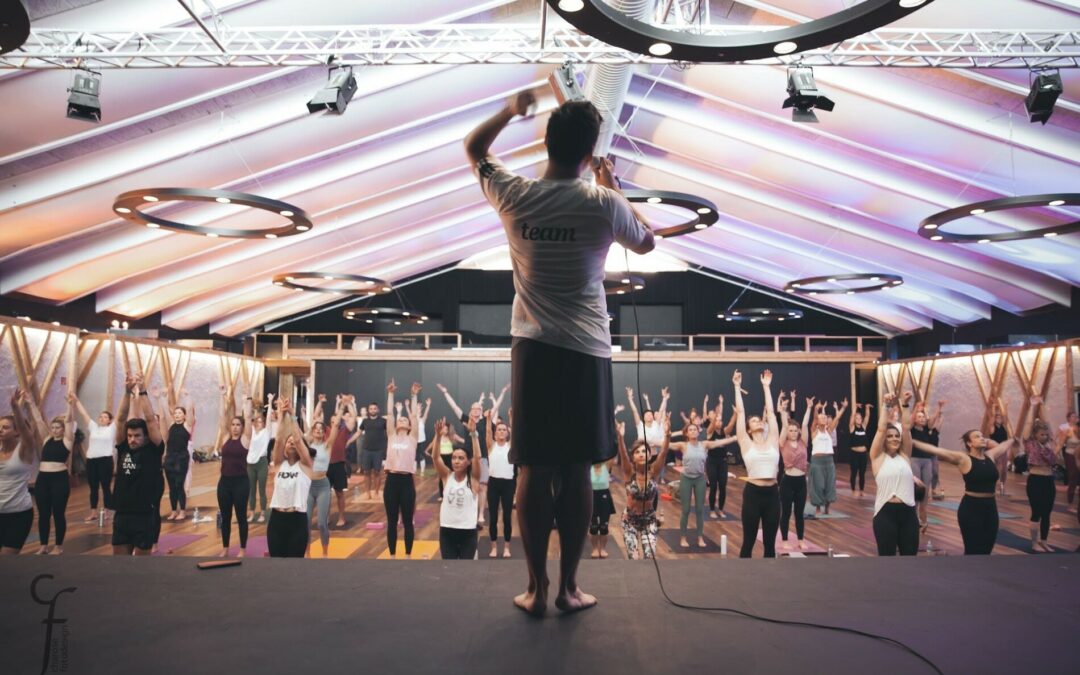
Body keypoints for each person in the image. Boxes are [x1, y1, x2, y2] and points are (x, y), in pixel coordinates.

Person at [467, 87, 654, 616]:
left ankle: (536, 588)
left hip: (532, 348)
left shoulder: (514, 194)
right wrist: (612, 183)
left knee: (530, 467)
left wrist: (507, 110)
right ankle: (571, 589)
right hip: (588, 351)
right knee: (574, 471)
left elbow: (474, 149)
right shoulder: (603, 202)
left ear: (546, 142)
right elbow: (648, 243)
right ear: (589, 152)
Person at [911, 430, 1017, 554]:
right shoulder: (964, 459)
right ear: (969, 443)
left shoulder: (990, 455)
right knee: (972, 550)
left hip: (991, 508)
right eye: (977, 437)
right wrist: (913, 442)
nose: (982, 438)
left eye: (982, 436)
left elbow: (1004, 446)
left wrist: (1014, 439)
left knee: (987, 550)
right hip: (971, 509)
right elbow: (937, 450)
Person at [112, 376, 166, 556]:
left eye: (137, 436)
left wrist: (142, 392)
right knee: (119, 566)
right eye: (130, 436)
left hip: (144, 515)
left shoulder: (153, 449)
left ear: (146, 436)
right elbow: (120, 419)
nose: (132, 439)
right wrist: (127, 392)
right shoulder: (123, 448)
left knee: (140, 568)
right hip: (122, 513)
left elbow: (150, 419)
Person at [732, 370, 782, 558]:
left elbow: (770, 413)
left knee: (770, 545)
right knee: (748, 542)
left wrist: (766, 387)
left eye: (759, 419)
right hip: (753, 494)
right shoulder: (746, 443)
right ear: (748, 428)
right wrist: (737, 387)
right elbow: (741, 412)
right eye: (753, 421)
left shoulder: (773, 440)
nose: (758, 421)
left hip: (772, 495)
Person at [666, 417, 737, 548]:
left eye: (695, 429)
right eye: (690, 430)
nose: (693, 431)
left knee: (699, 510)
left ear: (699, 432)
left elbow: (720, 442)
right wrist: (652, 440)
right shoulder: (683, 445)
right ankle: (683, 538)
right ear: (686, 433)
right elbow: (666, 444)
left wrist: (734, 438)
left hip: (700, 479)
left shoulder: (704, 444)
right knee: (686, 510)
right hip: (686, 478)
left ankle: (700, 538)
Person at [615, 417, 671, 560]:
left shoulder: (654, 472)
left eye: (644, 451)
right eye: (637, 452)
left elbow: (664, 454)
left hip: (649, 520)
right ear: (633, 457)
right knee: (633, 558)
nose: (641, 454)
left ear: (649, 455)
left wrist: (668, 435)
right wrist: (620, 438)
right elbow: (623, 455)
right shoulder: (629, 473)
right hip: (630, 521)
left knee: (650, 558)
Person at [869, 393, 919, 556]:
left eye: (896, 436)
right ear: (884, 440)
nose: (894, 439)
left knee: (910, 557)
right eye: (890, 437)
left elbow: (906, 428)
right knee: (887, 558)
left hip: (908, 513)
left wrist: (905, 405)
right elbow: (881, 429)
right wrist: (886, 405)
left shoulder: (905, 456)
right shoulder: (877, 457)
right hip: (885, 513)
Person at [267, 398, 314, 558]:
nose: (291, 443)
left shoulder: (306, 465)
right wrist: (281, 414)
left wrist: (292, 415)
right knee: (276, 564)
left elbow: (299, 440)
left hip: (297, 520)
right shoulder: (279, 464)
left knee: (294, 565)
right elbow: (279, 439)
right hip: (277, 519)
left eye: (294, 442)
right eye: (289, 442)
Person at [430, 417, 482, 559]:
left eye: (461, 458)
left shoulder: (474, 479)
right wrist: (438, 436)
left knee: (466, 570)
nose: (456, 461)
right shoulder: (447, 476)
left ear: (467, 462)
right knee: (449, 569)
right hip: (447, 530)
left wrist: (474, 434)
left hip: (468, 531)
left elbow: (477, 457)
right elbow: (435, 458)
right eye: (454, 458)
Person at [1, 390, 42, 554]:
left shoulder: (24, 451)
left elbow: (28, 436)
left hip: (18, 515)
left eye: (5, 427)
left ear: (16, 431)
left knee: (6, 562)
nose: (1, 430)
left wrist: (16, 408)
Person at [32, 399, 75, 554]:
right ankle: (43, 545)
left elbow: (69, 421)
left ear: (63, 430)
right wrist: (31, 402)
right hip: (43, 480)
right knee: (43, 514)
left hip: (59, 480)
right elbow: (38, 420)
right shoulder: (46, 439)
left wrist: (70, 405)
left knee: (58, 513)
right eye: (53, 427)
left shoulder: (67, 441)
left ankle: (58, 546)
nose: (55, 430)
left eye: (58, 427)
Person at [383, 380, 421, 557]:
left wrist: (414, 395)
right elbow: (390, 414)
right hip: (391, 481)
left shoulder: (412, 437)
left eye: (404, 419)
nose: (402, 420)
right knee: (391, 521)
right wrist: (390, 394)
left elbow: (414, 417)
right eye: (401, 419)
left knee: (407, 522)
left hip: (406, 482)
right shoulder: (391, 435)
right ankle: (392, 555)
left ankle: (407, 555)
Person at [69, 391, 119, 522]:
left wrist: (130, 394)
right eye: (100, 416)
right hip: (91, 461)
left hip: (105, 461)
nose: (102, 418)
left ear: (110, 420)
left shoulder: (112, 428)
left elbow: (120, 414)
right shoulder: (93, 427)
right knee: (93, 488)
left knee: (106, 487)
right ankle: (93, 512)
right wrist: (76, 400)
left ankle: (108, 511)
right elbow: (84, 414)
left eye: (105, 417)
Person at [215, 386, 253, 557]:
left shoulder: (245, 440)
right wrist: (223, 397)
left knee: (241, 516)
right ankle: (225, 548)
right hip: (224, 483)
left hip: (241, 483)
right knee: (225, 516)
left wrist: (248, 399)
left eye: (238, 425)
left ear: (242, 427)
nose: (235, 427)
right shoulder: (225, 438)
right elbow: (222, 418)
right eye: (233, 425)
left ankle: (243, 548)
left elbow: (249, 417)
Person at [153, 388, 195, 522]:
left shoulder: (187, 425)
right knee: (171, 487)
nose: (177, 415)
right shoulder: (171, 425)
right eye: (175, 413)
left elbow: (190, 411)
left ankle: (182, 511)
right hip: (170, 457)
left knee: (179, 484)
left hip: (181, 457)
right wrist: (160, 398)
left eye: (179, 413)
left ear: (183, 416)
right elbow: (165, 413)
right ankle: (173, 511)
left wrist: (188, 397)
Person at [1023, 397, 1058, 552]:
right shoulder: (1030, 443)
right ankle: (1034, 542)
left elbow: (1049, 425)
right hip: (1035, 480)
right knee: (1036, 511)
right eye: (1042, 434)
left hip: (1048, 480)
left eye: (1046, 434)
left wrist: (1043, 405)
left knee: (1047, 512)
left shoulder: (1049, 444)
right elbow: (1028, 425)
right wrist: (1032, 406)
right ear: (1035, 435)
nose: (1045, 436)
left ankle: (1044, 541)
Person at [778, 393, 809, 551]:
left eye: (795, 430)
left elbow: (804, 426)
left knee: (799, 513)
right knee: (786, 512)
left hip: (801, 482)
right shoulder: (783, 443)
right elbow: (784, 426)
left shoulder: (803, 443)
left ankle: (801, 539)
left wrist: (809, 408)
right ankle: (784, 539)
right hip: (788, 481)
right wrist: (783, 410)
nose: (793, 432)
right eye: (791, 430)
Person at [806, 397, 847, 516]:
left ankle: (827, 507)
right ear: (818, 420)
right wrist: (815, 409)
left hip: (829, 461)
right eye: (821, 417)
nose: (824, 419)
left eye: (825, 417)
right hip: (817, 461)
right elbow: (814, 419)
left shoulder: (829, 431)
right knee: (818, 484)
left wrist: (843, 407)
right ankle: (818, 507)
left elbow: (837, 418)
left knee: (829, 484)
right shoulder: (814, 430)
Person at [485, 409, 516, 558]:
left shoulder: (511, 446)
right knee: (493, 517)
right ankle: (493, 547)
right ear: (495, 432)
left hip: (508, 484)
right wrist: (488, 418)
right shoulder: (491, 446)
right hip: (494, 484)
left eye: (504, 430)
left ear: (507, 432)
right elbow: (486, 432)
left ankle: (507, 548)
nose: (502, 432)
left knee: (507, 518)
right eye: (499, 429)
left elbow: (515, 432)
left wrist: (511, 417)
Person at [324, 395, 356, 526]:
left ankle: (341, 517)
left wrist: (349, 404)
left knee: (339, 493)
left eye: (336, 421)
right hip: (325, 466)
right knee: (325, 494)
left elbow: (353, 418)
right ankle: (325, 516)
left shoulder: (343, 431)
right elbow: (315, 418)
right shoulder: (325, 431)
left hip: (338, 465)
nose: (334, 423)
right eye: (332, 421)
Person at [908, 404, 940, 530]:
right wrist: (916, 408)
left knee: (926, 487)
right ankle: (913, 513)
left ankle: (923, 513)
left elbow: (932, 420)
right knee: (916, 487)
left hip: (927, 460)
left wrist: (938, 409)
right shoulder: (912, 430)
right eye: (919, 417)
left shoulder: (927, 429)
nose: (922, 419)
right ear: (915, 419)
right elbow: (909, 421)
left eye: (923, 417)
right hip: (915, 460)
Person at [246, 395, 275, 524]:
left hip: (262, 462)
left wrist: (269, 402)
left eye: (260, 422)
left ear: (263, 424)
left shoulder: (266, 433)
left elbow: (268, 418)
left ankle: (263, 512)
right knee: (251, 490)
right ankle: (252, 512)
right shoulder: (251, 432)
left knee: (261, 489)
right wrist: (246, 401)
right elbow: (247, 416)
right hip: (250, 464)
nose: (258, 423)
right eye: (256, 421)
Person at [356, 397, 387, 500]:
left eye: (374, 408)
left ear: (377, 410)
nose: (373, 410)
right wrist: (348, 441)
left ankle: (377, 491)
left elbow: (389, 434)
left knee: (377, 472)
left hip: (378, 450)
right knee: (366, 472)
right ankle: (368, 492)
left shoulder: (383, 421)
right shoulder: (365, 421)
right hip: (366, 450)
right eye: (371, 409)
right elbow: (358, 433)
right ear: (369, 410)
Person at [985, 402, 1011, 496]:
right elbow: (991, 420)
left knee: (1004, 470)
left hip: (1003, 450)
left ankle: (1002, 485)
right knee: (998, 468)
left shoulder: (1003, 427)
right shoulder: (992, 427)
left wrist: (1006, 407)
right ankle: (995, 486)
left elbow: (1006, 419)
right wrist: (994, 411)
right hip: (995, 450)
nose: (999, 417)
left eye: (1000, 416)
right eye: (997, 416)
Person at [1057, 414, 1079, 508]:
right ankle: (1070, 499)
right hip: (1070, 455)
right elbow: (1061, 443)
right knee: (1073, 475)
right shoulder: (1068, 431)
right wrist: (1055, 454)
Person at [849, 403, 870, 496]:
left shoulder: (863, 427)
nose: (858, 419)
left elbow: (867, 416)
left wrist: (867, 408)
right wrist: (855, 408)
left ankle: (862, 490)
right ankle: (853, 490)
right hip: (854, 454)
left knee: (862, 473)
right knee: (854, 472)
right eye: (856, 418)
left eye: (860, 418)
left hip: (863, 454)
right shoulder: (852, 427)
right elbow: (851, 416)